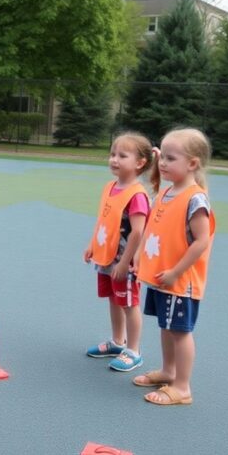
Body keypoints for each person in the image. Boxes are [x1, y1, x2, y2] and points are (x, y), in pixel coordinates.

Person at [131, 128, 215, 405]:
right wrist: (140, 260)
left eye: (170, 158)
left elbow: (201, 241)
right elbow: (156, 232)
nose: (163, 163)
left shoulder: (195, 198)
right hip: (161, 278)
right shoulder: (166, 192)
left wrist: (177, 272)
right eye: (161, 157)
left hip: (179, 281)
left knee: (180, 331)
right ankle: (169, 371)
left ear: (192, 163)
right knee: (166, 327)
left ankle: (182, 386)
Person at [83, 132, 153, 372]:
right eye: (112, 154)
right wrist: (93, 245)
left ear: (140, 162)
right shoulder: (110, 187)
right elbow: (105, 219)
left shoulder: (137, 195)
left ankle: (134, 350)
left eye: (122, 155)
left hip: (124, 261)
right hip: (107, 257)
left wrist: (124, 263)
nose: (114, 159)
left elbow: (137, 232)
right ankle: (117, 341)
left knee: (129, 303)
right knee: (114, 299)